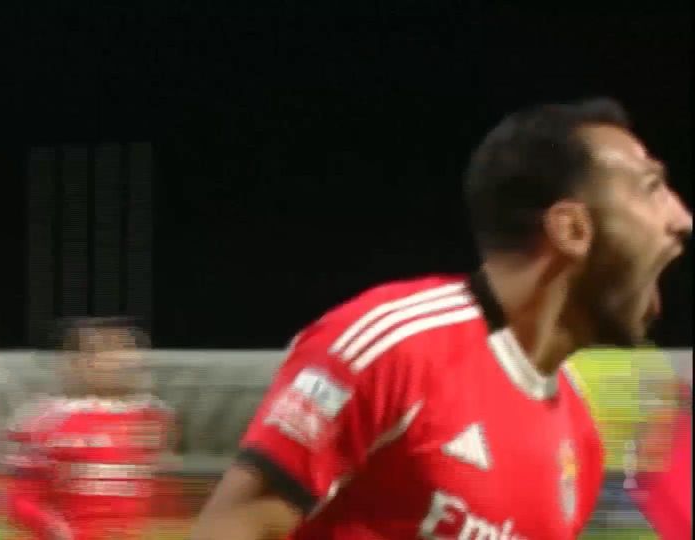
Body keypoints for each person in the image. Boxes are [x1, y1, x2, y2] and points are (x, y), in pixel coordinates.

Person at [191, 98, 692, 540]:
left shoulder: (580, 444)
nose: (681, 219)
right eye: (651, 187)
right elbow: (232, 526)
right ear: (573, 230)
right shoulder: (395, 346)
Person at [3, 317, 174, 540]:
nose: (117, 360)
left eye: (125, 348)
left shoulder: (154, 417)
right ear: (76, 362)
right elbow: (21, 501)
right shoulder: (42, 420)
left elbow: (164, 496)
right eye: (102, 350)